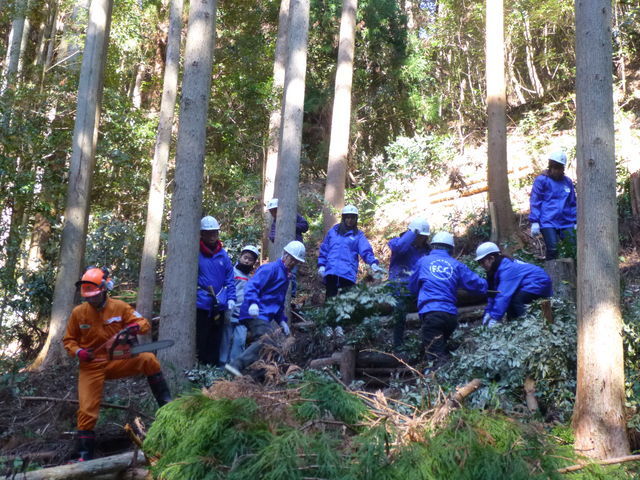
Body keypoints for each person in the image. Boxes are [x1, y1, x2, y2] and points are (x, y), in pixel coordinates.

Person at [63, 267, 172, 461]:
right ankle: (83, 454)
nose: (90, 299)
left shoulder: (119, 307)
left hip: (117, 361)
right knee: (87, 409)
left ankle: (167, 406)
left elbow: (144, 323)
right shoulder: (78, 313)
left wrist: (130, 329)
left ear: (104, 289)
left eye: (94, 295)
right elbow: (68, 341)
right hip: (91, 366)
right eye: (87, 296)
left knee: (148, 359)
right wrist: (79, 352)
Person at [224, 241, 305, 377]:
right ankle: (236, 365)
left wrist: (282, 321)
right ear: (285, 255)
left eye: (296, 261)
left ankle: (256, 376)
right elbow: (251, 286)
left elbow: (277, 302)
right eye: (292, 259)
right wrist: (253, 303)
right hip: (254, 312)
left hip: (264, 315)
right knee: (266, 340)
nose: (293, 263)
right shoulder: (270, 269)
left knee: (273, 348)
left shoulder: (285, 277)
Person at [408, 232, 487, 367]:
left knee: (435, 357)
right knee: (439, 348)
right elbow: (477, 284)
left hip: (431, 313)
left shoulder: (423, 261)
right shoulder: (456, 265)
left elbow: (412, 286)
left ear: (433, 246)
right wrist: (498, 286)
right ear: (451, 249)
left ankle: (441, 382)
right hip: (450, 316)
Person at [475, 242, 553, 326]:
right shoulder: (494, 270)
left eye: (482, 262)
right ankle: (512, 324)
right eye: (479, 263)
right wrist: (488, 312)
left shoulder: (507, 269)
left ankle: (526, 324)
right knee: (510, 301)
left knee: (515, 300)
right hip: (527, 284)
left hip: (539, 282)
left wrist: (494, 317)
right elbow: (493, 293)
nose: (481, 265)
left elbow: (503, 294)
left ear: (491, 258)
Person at [317, 205, 385, 298]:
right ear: (343, 218)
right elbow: (325, 249)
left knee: (345, 304)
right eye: (347, 217)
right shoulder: (333, 232)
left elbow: (365, 250)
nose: (350, 220)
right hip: (331, 272)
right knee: (330, 303)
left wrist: (373, 263)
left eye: (352, 218)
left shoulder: (358, 235)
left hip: (347, 274)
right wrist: (321, 265)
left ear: (356, 219)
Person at [196, 216, 236, 366]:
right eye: (209, 233)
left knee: (216, 337)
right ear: (202, 234)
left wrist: (231, 298)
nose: (213, 236)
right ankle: (201, 365)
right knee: (202, 337)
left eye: (215, 233)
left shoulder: (223, 254)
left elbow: (229, 278)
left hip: (219, 303)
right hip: (201, 303)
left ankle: (212, 367)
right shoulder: (196, 253)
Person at [388, 217, 431, 349]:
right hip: (400, 286)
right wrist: (412, 233)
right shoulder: (398, 243)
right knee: (399, 314)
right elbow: (399, 248)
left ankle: (427, 341)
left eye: (423, 237)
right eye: (419, 236)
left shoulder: (427, 251)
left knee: (428, 312)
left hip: (419, 288)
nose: (421, 239)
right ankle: (398, 345)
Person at [529, 151, 577, 259]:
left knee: (573, 248)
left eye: (559, 168)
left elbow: (572, 202)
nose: (557, 171)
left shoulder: (567, 182)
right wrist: (535, 221)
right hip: (548, 221)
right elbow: (535, 200)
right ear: (550, 167)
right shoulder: (542, 180)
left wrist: (575, 221)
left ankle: (572, 273)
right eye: (555, 168)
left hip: (566, 221)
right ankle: (552, 272)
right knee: (553, 249)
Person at [219, 245, 260, 366]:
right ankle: (221, 364)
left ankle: (234, 365)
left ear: (253, 262)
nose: (247, 261)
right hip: (230, 310)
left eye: (250, 259)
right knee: (225, 339)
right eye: (245, 257)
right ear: (240, 257)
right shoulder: (232, 272)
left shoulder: (251, 278)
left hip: (243, 314)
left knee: (240, 340)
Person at [267, 198, 308, 297]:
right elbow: (271, 235)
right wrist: (278, 235)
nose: (274, 213)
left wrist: (292, 226)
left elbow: (305, 225)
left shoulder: (294, 216)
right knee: (282, 272)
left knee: (292, 274)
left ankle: (292, 295)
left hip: (295, 252)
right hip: (283, 252)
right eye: (271, 211)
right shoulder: (275, 223)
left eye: (275, 210)